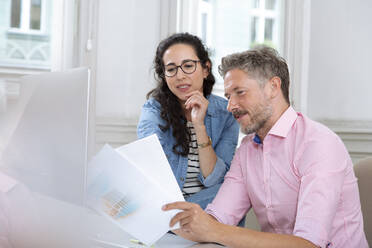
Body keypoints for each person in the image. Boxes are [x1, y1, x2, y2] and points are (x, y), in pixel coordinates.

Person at [162, 46, 368, 248]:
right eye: (227, 96)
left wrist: (213, 230)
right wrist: (185, 221)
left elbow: (309, 244)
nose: (230, 106)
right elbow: (220, 216)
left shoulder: (319, 144)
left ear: (273, 87)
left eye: (240, 92)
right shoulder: (247, 150)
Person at [137, 33, 239, 209]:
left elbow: (214, 180)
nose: (180, 76)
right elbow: (154, 174)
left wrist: (199, 126)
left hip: (208, 214)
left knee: (234, 189)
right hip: (166, 211)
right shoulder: (153, 111)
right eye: (171, 69)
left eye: (188, 66)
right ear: (164, 75)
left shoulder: (226, 113)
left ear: (206, 69)